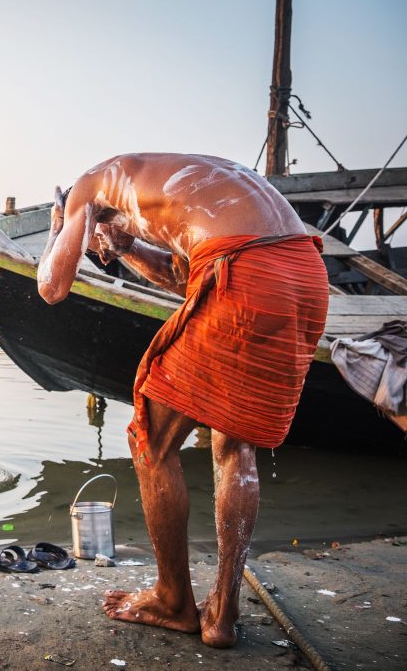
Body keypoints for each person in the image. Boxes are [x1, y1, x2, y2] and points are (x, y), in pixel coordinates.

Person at [37, 153, 329, 647]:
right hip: (304, 272)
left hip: (246, 268)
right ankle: (222, 613)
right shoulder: (169, 182)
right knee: (233, 446)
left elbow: (51, 286)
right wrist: (127, 249)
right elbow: (186, 278)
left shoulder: (90, 184)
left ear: (84, 216)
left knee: (151, 439)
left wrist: (57, 231)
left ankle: (173, 599)